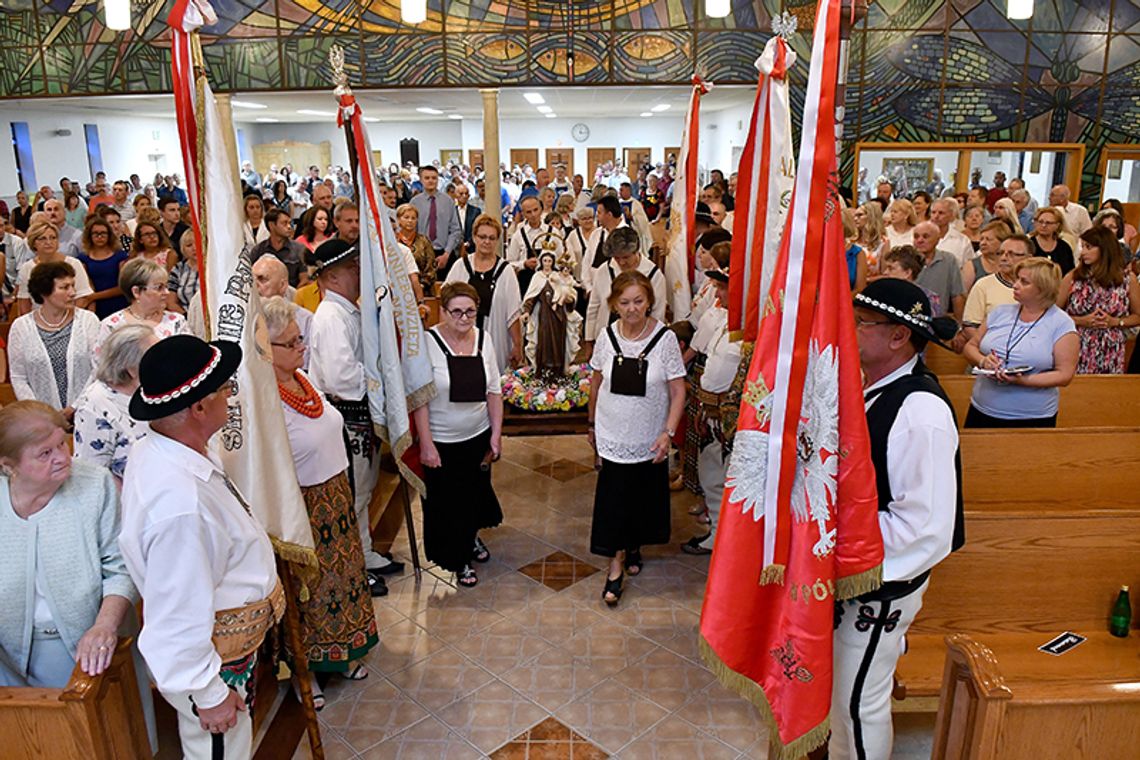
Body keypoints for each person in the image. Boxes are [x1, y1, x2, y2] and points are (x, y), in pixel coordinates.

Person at [119, 335, 282, 760]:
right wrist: (209, 695)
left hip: (225, 652)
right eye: (225, 390)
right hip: (211, 667)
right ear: (199, 408)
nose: (231, 397)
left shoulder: (165, 447)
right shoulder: (179, 509)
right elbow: (174, 619)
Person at [833, 279, 963, 760]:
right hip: (853, 573)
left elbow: (925, 529)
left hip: (878, 586)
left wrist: (835, 547)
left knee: (859, 703)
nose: (852, 330)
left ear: (898, 336)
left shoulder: (920, 412)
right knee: (841, 700)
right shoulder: (875, 387)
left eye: (862, 323)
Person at [264, 297, 377, 706]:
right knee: (310, 591)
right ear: (266, 348)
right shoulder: (264, 401)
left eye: (300, 339)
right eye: (292, 343)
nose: (302, 347)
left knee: (343, 582)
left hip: (335, 497)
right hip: (304, 508)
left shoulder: (301, 379)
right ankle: (304, 672)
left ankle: (344, 651)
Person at [0, 401, 140, 691]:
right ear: (8, 465)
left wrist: (104, 627)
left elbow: (122, 568)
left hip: (95, 646)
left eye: (61, 445)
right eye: (45, 454)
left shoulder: (95, 485)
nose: (62, 458)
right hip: (9, 654)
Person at [307, 239, 401, 594]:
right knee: (352, 494)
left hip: (362, 418)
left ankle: (364, 550)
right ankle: (350, 566)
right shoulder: (331, 317)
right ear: (331, 277)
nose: (358, 272)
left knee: (364, 491)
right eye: (351, 268)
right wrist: (381, 379)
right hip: (348, 419)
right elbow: (341, 378)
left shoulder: (350, 310)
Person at [587, 271, 685, 605]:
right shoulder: (606, 337)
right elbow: (596, 382)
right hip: (612, 432)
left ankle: (633, 546)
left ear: (649, 301)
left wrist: (667, 432)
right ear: (614, 304)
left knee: (640, 497)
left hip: (649, 434)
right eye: (625, 302)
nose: (632, 309)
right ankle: (614, 567)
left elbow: (677, 389)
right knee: (613, 500)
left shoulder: (665, 339)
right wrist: (591, 426)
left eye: (639, 301)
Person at [413, 282, 505, 588]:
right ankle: (458, 557)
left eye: (470, 312)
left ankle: (472, 537)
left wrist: (496, 435)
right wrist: (426, 443)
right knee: (448, 504)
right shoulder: (427, 343)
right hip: (442, 440)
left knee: (474, 496)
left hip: (477, 435)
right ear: (443, 311)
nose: (464, 319)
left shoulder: (484, 338)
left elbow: (493, 391)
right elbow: (421, 397)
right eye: (457, 312)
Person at [962, 258, 1078, 427]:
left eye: (1024, 282)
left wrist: (1022, 380)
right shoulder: (999, 312)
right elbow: (970, 347)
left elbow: (1065, 374)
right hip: (983, 408)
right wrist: (983, 361)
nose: (1015, 285)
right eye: (1017, 279)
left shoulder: (1061, 323)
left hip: (1032, 416)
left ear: (1042, 289)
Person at [679, 267, 741, 556]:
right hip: (711, 410)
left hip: (731, 417)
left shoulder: (750, 328)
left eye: (723, 287)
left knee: (726, 478)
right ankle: (717, 533)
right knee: (711, 475)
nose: (717, 293)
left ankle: (727, 538)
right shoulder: (724, 319)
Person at [8, 261, 101, 416]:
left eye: (73, 286)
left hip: (86, 412)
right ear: (44, 292)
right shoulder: (21, 327)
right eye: (64, 287)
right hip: (41, 418)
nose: (72, 292)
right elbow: (19, 376)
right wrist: (41, 413)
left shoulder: (88, 321)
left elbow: (98, 368)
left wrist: (74, 407)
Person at [72, 324, 156, 481]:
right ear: (130, 368)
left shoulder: (151, 389)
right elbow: (90, 475)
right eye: (155, 357)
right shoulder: (95, 404)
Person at [445, 214, 523, 375]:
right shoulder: (460, 266)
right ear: (474, 237)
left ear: (497, 241)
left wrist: (517, 345)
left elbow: (514, 313)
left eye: (492, 238)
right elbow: (445, 305)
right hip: (461, 338)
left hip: (495, 337)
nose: (486, 241)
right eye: (482, 237)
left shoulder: (506, 271)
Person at [1057, 225, 1140, 374]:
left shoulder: (1127, 279)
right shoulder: (1073, 277)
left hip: (1111, 348)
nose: (1083, 252)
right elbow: (1053, 313)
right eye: (1083, 247)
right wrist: (1081, 321)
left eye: (1089, 247)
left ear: (1104, 249)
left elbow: (1138, 316)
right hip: (1076, 344)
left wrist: (1115, 322)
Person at [585, 227, 667, 344]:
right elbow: (594, 306)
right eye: (617, 258)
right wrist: (589, 340)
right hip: (606, 338)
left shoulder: (654, 275)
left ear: (636, 251)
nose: (621, 262)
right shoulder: (604, 270)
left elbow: (657, 314)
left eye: (626, 257)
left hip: (640, 339)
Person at [96, 257, 189, 352]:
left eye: (166, 286)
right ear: (136, 292)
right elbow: (101, 363)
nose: (167, 292)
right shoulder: (112, 325)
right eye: (159, 287)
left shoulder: (176, 322)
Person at [14, 222, 94, 316]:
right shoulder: (26, 268)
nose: (49, 242)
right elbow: (24, 302)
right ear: (33, 242)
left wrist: (64, 318)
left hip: (71, 318)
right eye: (42, 238)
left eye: (53, 238)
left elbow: (83, 297)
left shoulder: (74, 264)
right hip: (39, 320)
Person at [961, 234, 1031, 341]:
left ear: (1028, 258)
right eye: (1001, 253)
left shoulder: (1038, 287)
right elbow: (970, 326)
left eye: (1011, 254)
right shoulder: (983, 285)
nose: (1003, 258)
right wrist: (991, 347)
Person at [522, 251, 582, 375]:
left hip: (559, 315)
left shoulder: (558, 275)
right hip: (543, 314)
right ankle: (542, 370)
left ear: (553, 262)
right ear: (541, 262)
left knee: (559, 341)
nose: (547, 263)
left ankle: (559, 371)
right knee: (543, 340)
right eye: (545, 261)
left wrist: (569, 300)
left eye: (550, 261)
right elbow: (531, 297)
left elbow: (569, 292)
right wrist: (527, 311)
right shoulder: (537, 277)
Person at [253, 255, 310, 370]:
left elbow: (307, 364)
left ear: (283, 285)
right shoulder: (245, 317)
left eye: (262, 279)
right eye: (251, 280)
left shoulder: (305, 319)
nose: (254, 285)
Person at [410, 165, 462, 274]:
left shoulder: (448, 201)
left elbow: (455, 229)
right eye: (427, 178)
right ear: (421, 179)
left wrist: (447, 253)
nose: (430, 181)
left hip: (444, 253)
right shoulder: (414, 202)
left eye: (434, 178)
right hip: (421, 253)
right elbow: (411, 229)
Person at [77, 216, 130, 319]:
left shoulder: (120, 256)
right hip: (93, 307)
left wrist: (93, 297)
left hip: (118, 304)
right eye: (95, 233)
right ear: (89, 235)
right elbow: (85, 284)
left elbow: (123, 287)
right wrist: (91, 300)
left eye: (103, 233)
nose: (100, 237)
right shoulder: (83, 258)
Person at [912, 221, 965, 322]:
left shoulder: (949, 260)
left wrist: (959, 325)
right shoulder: (905, 260)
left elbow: (957, 295)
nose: (920, 240)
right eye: (916, 236)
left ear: (937, 239)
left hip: (937, 321)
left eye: (925, 236)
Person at [251, 208, 307, 287]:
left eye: (290, 223)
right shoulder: (258, 250)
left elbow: (304, 279)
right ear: (271, 225)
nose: (289, 227)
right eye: (284, 223)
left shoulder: (299, 249)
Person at [395, 203, 438, 295]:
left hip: (423, 289)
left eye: (413, 218)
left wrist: (420, 286)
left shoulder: (424, 241)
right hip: (397, 290)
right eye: (406, 217)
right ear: (398, 219)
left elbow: (431, 268)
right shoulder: (393, 241)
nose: (410, 221)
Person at [961, 220, 1011, 294]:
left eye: (988, 239)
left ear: (1002, 241)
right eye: (981, 239)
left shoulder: (1011, 264)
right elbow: (963, 295)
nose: (983, 243)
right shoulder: (971, 266)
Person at [1031, 206, 1075, 274]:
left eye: (1048, 223)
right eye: (1040, 222)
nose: (1043, 225)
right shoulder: (1029, 244)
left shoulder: (1064, 247)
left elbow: (1070, 272)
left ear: (1057, 225)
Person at [166, 228, 200, 316]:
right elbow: (171, 302)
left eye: (198, 242)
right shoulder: (178, 269)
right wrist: (187, 317)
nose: (195, 248)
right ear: (183, 249)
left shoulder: (215, 267)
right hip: (186, 317)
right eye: (189, 245)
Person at [853, 202, 888, 274]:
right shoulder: (851, 241)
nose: (855, 219)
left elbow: (885, 273)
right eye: (855, 215)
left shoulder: (883, 242)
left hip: (873, 283)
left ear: (871, 216)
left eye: (860, 215)